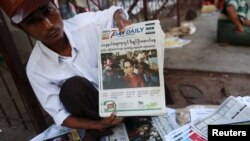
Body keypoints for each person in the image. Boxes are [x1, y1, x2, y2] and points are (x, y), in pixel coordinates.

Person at [0, 0, 131, 140]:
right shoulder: (35, 69)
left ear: (55, 5)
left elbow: (113, 13)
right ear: (21, 28)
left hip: (127, 99)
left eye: (48, 11)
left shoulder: (86, 25)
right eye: (33, 21)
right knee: (72, 88)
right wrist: (98, 124)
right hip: (98, 115)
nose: (48, 25)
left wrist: (120, 20)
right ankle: (103, 130)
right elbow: (61, 115)